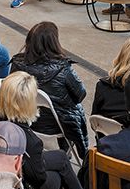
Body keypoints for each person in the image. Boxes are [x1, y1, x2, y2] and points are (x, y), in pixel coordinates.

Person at [0, 72, 83, 189]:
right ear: (29, 103)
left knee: (61, 157)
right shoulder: (30, 141)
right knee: (54, 177)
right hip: (17, 182)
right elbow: (38, 179)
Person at [10, 21, 89, 154]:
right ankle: (65, 149)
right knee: (74, 107)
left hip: (24, 118)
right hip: (58, 124)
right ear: (54, 43)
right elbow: (81, 95)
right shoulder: (64, 69)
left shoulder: (17, 63)